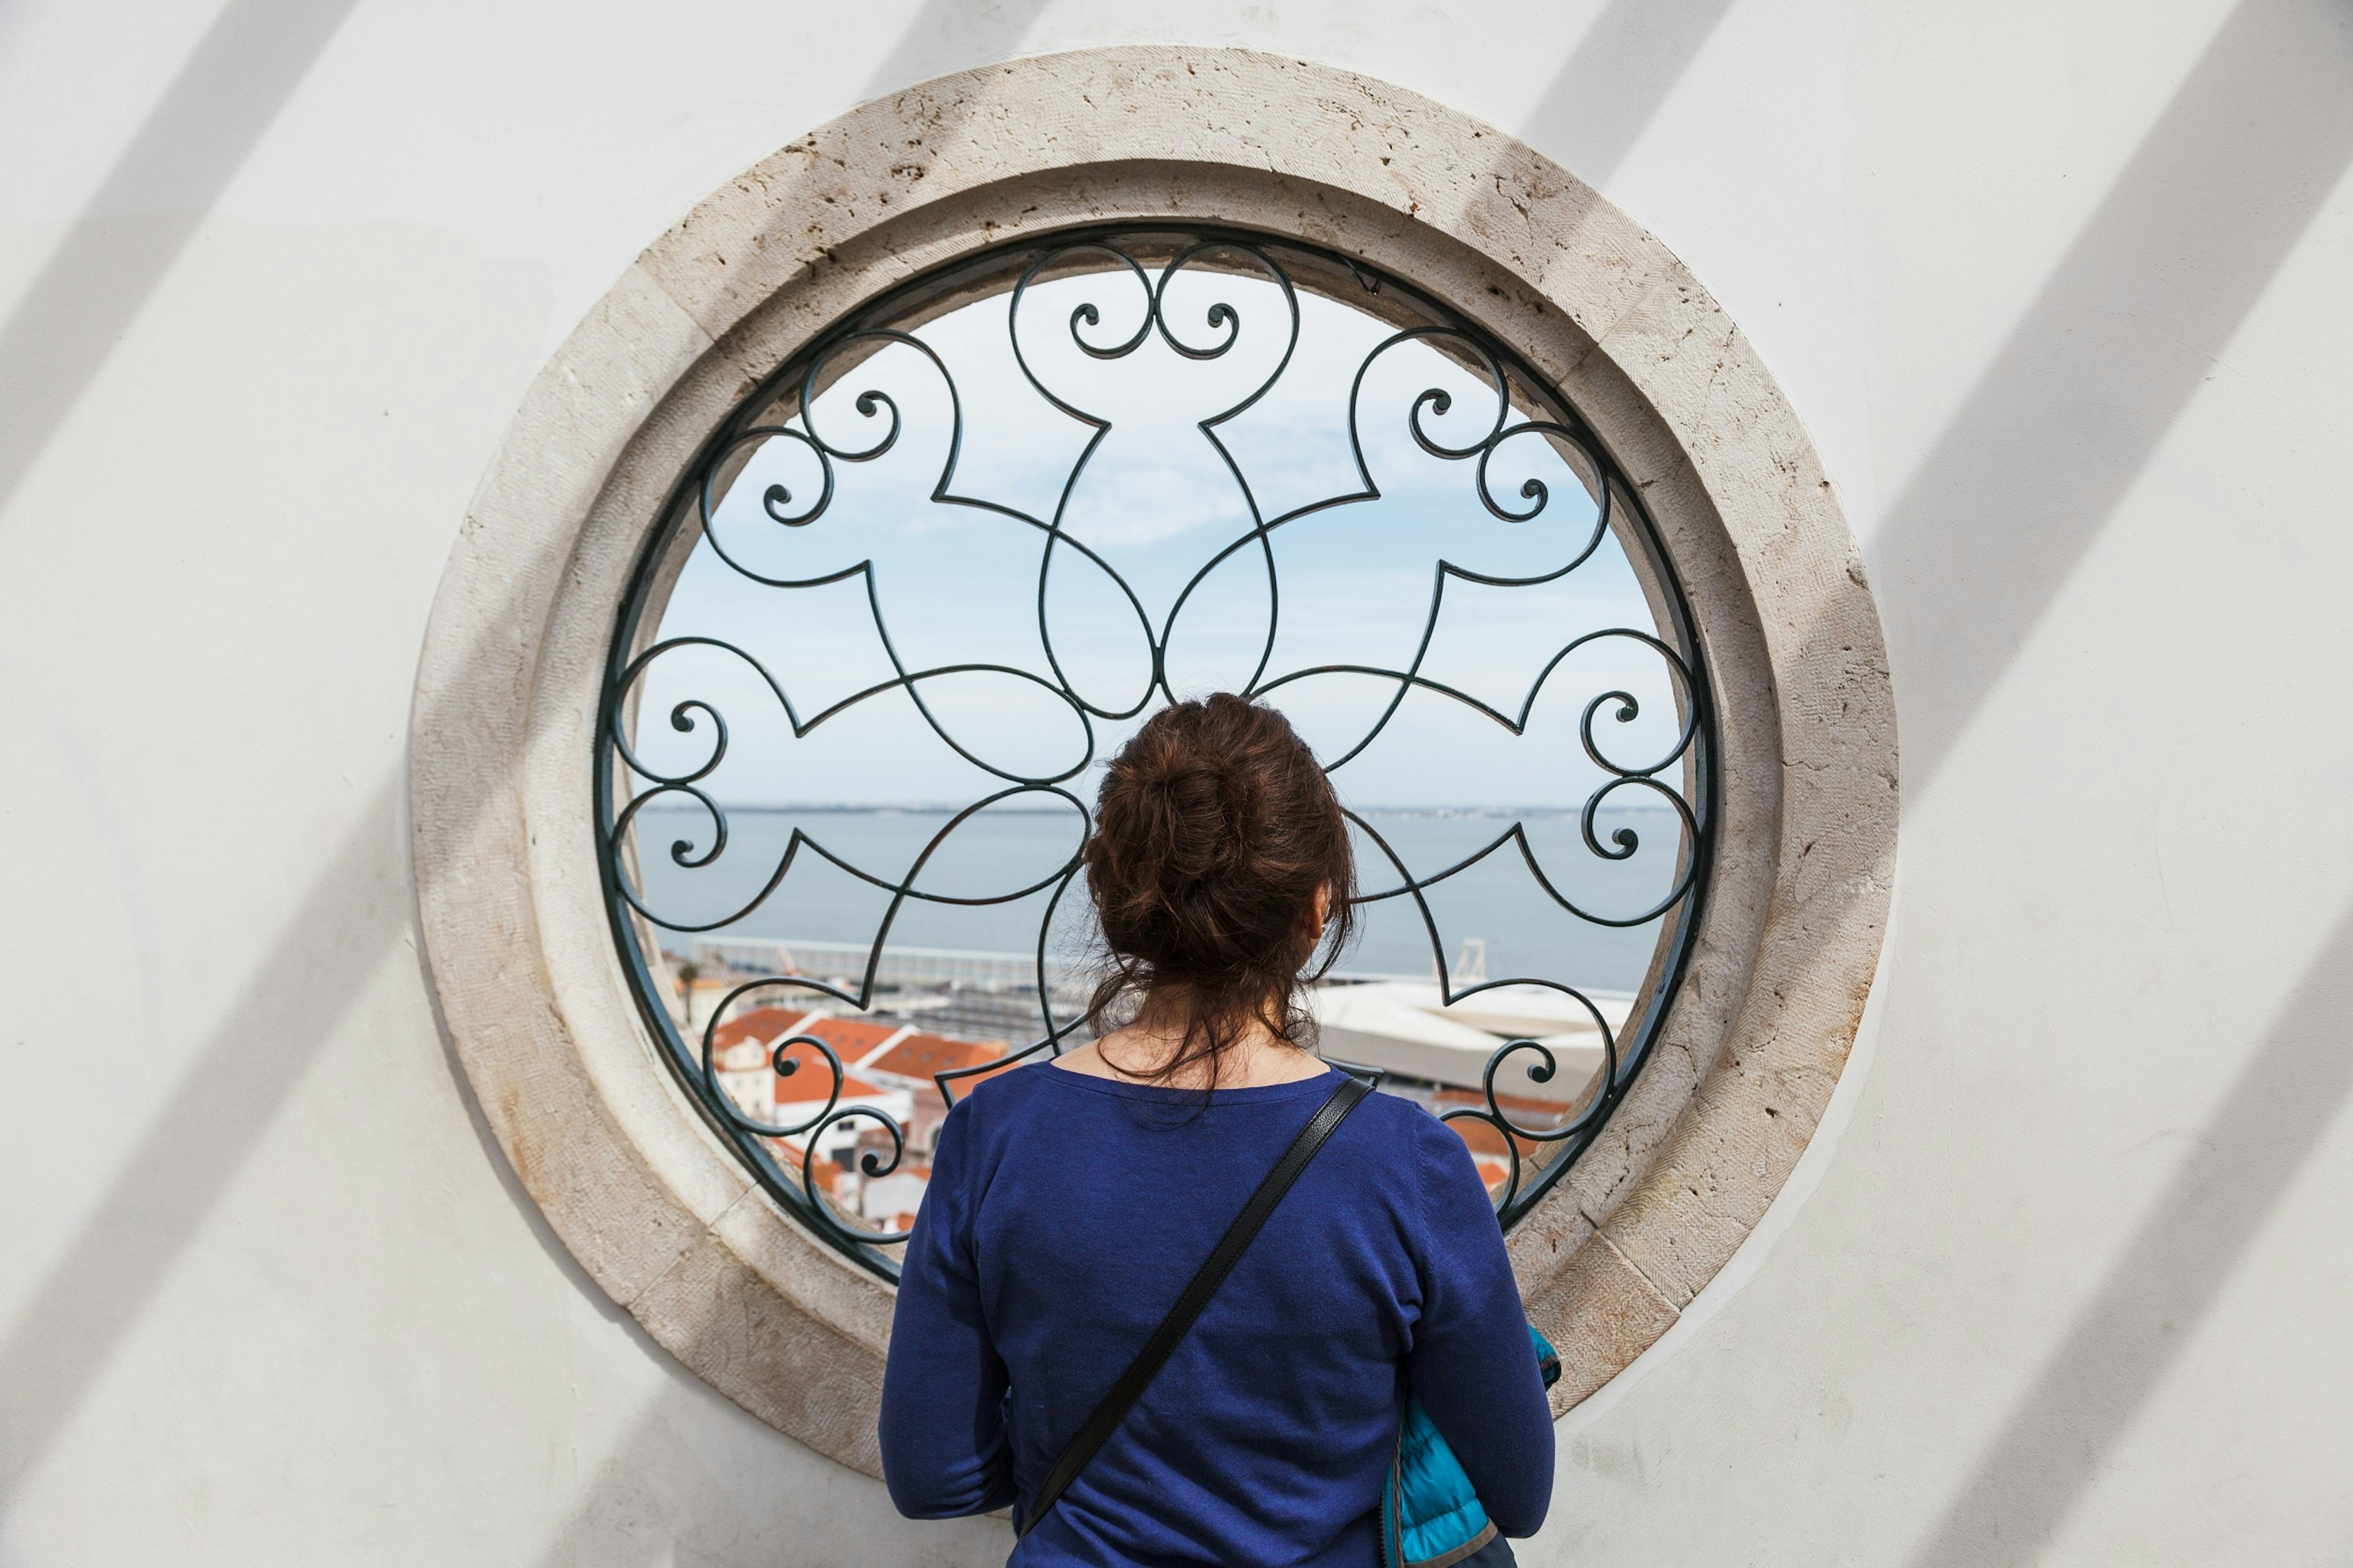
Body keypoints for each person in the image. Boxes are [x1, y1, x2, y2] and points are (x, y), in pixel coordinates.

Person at [879, 694, 1555, 1566]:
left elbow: (935, 1474)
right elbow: (1520, 1491)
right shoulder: (1406, 1163)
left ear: (1115, 899)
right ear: (1317, 909)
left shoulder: (992, 1136)